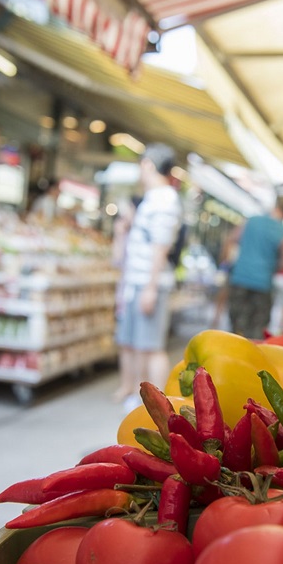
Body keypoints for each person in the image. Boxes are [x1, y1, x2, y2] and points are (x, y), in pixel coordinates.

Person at [113, 144, 183, 402]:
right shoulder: (155, 198)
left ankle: (152, 401)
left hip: (148, 282)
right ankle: (134, 392)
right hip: (138, 281)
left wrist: (151, 287)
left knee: (150, 347)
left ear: (148, 165)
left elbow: (161, 246)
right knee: (136, 342)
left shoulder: (165, 199)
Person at [225, 199, 283, 339]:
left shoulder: (252, 220)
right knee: (256, 329)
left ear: (275, 206)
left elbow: (232, 239)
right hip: (263, 283)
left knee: (235, 325)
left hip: (240, 277)